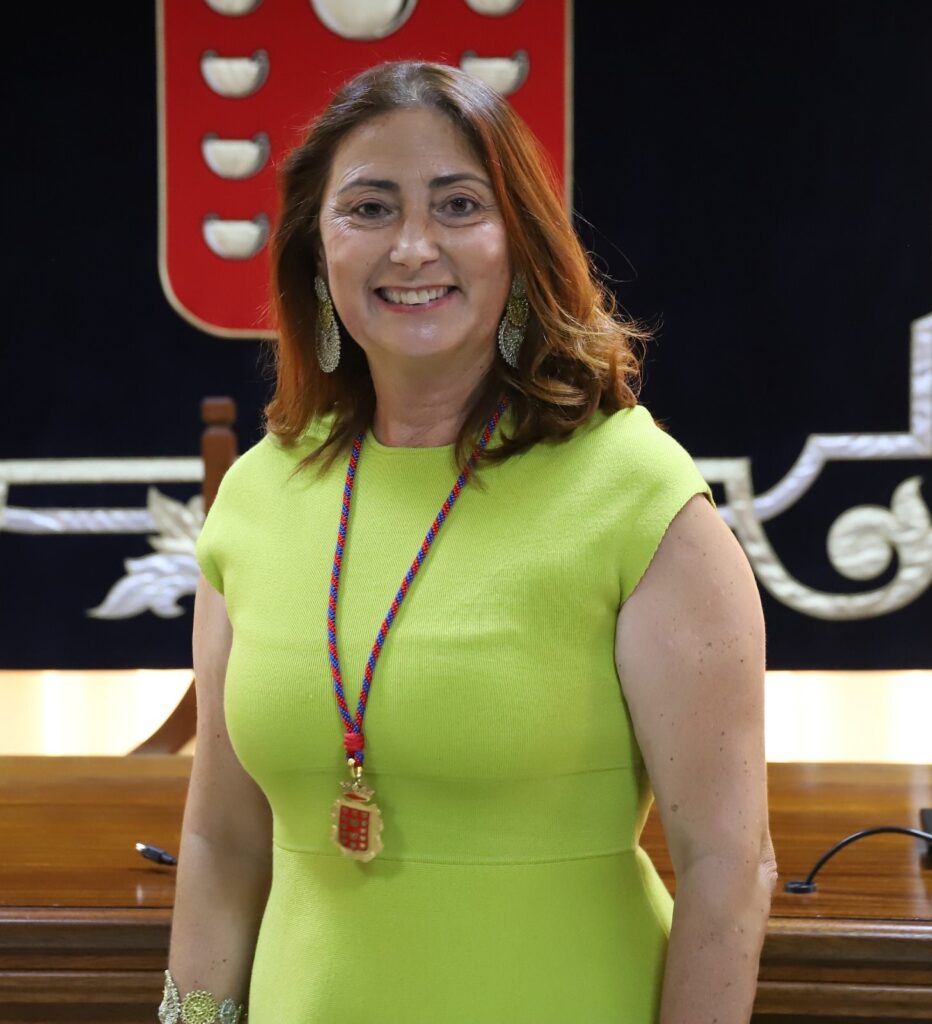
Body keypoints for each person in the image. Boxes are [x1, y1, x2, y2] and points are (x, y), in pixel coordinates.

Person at [163, 60, 776, 1024]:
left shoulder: (635, 492)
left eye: (458, 205)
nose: (413, 247)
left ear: (518, 245)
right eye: (370, 208)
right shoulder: (257, 495)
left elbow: (727, 864)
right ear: (317, 251)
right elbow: (222, 846)